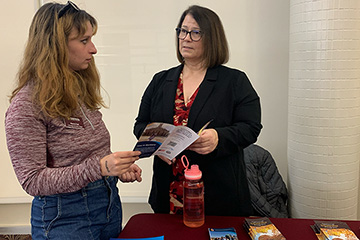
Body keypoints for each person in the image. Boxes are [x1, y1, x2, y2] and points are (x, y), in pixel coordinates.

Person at [5, 2, 142, 239]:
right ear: (55, 46)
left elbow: (87, 156)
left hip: (107, 205)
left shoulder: (78, 89)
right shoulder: (26, 105)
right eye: (84, 40)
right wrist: (100, 167)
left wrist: (115, 169)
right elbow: (32, 180)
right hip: (65, 218)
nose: (94, 49)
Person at [133, 5, 262, 216]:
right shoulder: (160, 80)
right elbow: (140, 125)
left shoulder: (234, 81)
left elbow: (251, 127)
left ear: (212, 38)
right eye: (182, 31)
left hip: (218, 193)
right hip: (168, 191)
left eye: (195, 32)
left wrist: (219, 137)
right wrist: (159, 144)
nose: (185, 38)